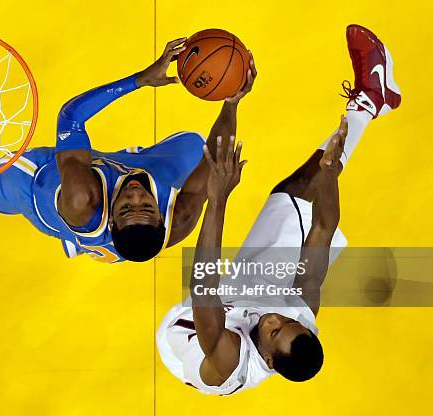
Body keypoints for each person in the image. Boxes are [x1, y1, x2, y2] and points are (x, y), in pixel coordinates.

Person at [0, 38, 257, 348]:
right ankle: (93, 239)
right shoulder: (179, 220)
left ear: (114, 218)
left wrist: (140, 79)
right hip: (114, 202)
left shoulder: (78, 195)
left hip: (42, 187)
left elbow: (70, 114)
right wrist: (232, 99)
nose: (135, 195)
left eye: (129, 205)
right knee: (196, 148)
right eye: (145, 204)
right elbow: (216, 155)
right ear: (159, 213)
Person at [156, 24, 401, 395]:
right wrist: (330, 174)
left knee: (210, 214)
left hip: (191, 327)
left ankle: (370, 103)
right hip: (249, 294)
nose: (274, 319)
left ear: (268, 358)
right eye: (285, 322)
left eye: (273, 331)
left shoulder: (230, 360)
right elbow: (321, 230)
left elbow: (204, 282)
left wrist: (218, 197)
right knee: (298, 191)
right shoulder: (296, 311)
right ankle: (370, 100)